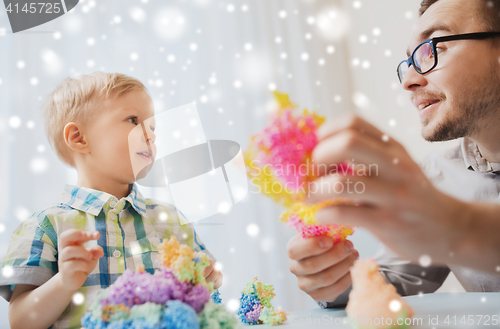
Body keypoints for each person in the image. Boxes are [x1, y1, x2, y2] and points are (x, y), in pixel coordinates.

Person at [287, 0, 500, 308]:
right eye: (409, 61)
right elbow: (389, 281)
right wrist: (336, 280)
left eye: (433, 48)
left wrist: (458, 224)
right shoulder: (439, 177)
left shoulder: (435, 200)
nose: (409, 81)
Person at [0, 72, 223, 329]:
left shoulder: (171, 220)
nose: (150, 136)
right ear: (79, 138)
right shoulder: (45, 226)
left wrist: (208, 279)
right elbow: (20, 322)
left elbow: (205, 296)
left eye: (152, 127)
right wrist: (64, 283)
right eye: (133, 120)